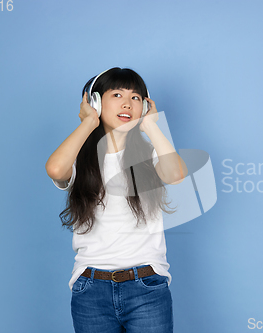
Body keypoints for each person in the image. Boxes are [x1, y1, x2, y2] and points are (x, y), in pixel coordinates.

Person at [45, 67, 188, 333]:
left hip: (146, 285)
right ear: (96, 102)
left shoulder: (150, 154)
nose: (127, 103)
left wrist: (151, 126)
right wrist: (88, 122)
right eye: (117, 94)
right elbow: (55, 169)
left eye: (136, 97)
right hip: (90, 288)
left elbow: (176, 174)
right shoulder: (81, 159)